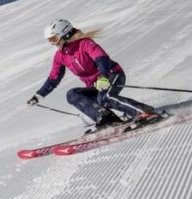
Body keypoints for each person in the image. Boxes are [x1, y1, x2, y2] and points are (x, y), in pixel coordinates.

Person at [27, 19, 159, 132]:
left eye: (54, 39)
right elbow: (53, 79)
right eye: (50, 41)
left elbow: (101, 58)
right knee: (72, 94)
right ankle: (106, 118)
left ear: (65, 34)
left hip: (112, 74)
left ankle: (143, 112)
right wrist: (38, 96)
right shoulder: (60, 56)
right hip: (95, 85)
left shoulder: (85, 44)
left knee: (104, 97)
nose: (53, 44)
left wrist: (104, 76)